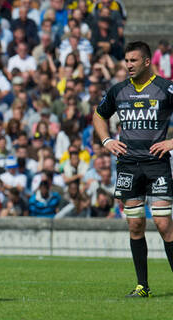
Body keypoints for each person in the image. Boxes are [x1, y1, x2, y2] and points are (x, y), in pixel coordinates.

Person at [93, 41, 173, 298]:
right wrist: (106, 141)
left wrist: (172, 142)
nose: (128, 65)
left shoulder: (165, 88)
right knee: (135, 225)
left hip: (156, 164)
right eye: (126, 60)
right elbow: (98, 115)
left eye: (133, 60)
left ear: (147, 62)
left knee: (162, 223)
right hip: (128, 165)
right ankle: (142, 286)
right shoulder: (118, 90)